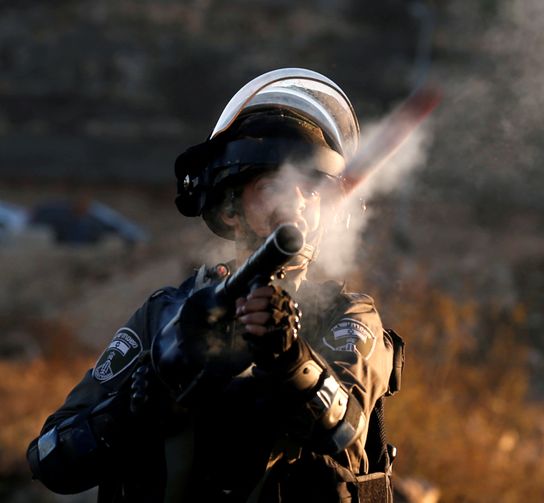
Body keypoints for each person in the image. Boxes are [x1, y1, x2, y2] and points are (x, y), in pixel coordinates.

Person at [27, 68, 404, 503]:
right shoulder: (169, 314)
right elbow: (51, 459)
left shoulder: (348, 316)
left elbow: (344, 431)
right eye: (271, 187)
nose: (295, 204)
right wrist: (137, 403)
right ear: (229, 209)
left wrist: (289, 359)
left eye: (311, 190)